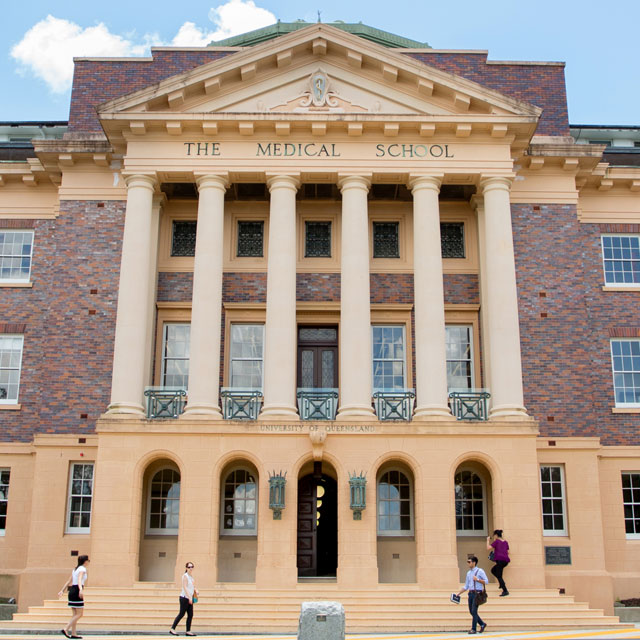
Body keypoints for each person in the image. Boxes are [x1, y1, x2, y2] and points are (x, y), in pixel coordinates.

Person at [58, 554, 90, 639]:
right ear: (85, 561)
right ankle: (66, 628)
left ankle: (73, 633)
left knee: (75, 614)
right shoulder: (83, 569)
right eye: (88, 560)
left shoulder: (75, 569)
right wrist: (80, 590)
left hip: (71, 591)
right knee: (80, 614)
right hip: (76, 590)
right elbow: (79, 579)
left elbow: (69, 581)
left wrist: (62, 590)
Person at [455, 555, 488, 634]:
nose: (468, 563)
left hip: (477, 593)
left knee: (474, 611)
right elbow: (466, 586)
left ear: (474, 562)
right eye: (468, 562)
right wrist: (458, 593)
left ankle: (473, 629)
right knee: (471, 611)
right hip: (470, 593)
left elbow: (486, 581)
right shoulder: (468, 573)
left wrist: (478, 579)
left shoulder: (480, 571)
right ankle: (482, 624)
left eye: (469, 562)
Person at [170, 562, 198, 636]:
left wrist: (196, 590)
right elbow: (185, 587)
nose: (191, 568)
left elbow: (192, 586)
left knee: (190, 615)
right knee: (181, 614)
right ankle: (172, 629)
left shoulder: (191, 577)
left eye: (192, 567)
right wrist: (189, 598)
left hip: (189, 597)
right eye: (189, 567)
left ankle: (188, 631)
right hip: (184, 598)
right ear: (186, 568)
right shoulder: (185, 576)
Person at [487, 529, 510, 596]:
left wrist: (488, 540)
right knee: (494, 571)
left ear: (496, 535)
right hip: (505, 561)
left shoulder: (497, 541)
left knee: (497, 574)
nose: (494, 537)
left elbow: (488, 548)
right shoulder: (505, 542)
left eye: (494, 535)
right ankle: (501, 583)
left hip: (500, 561)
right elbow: (507, 552)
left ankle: (505, 590)